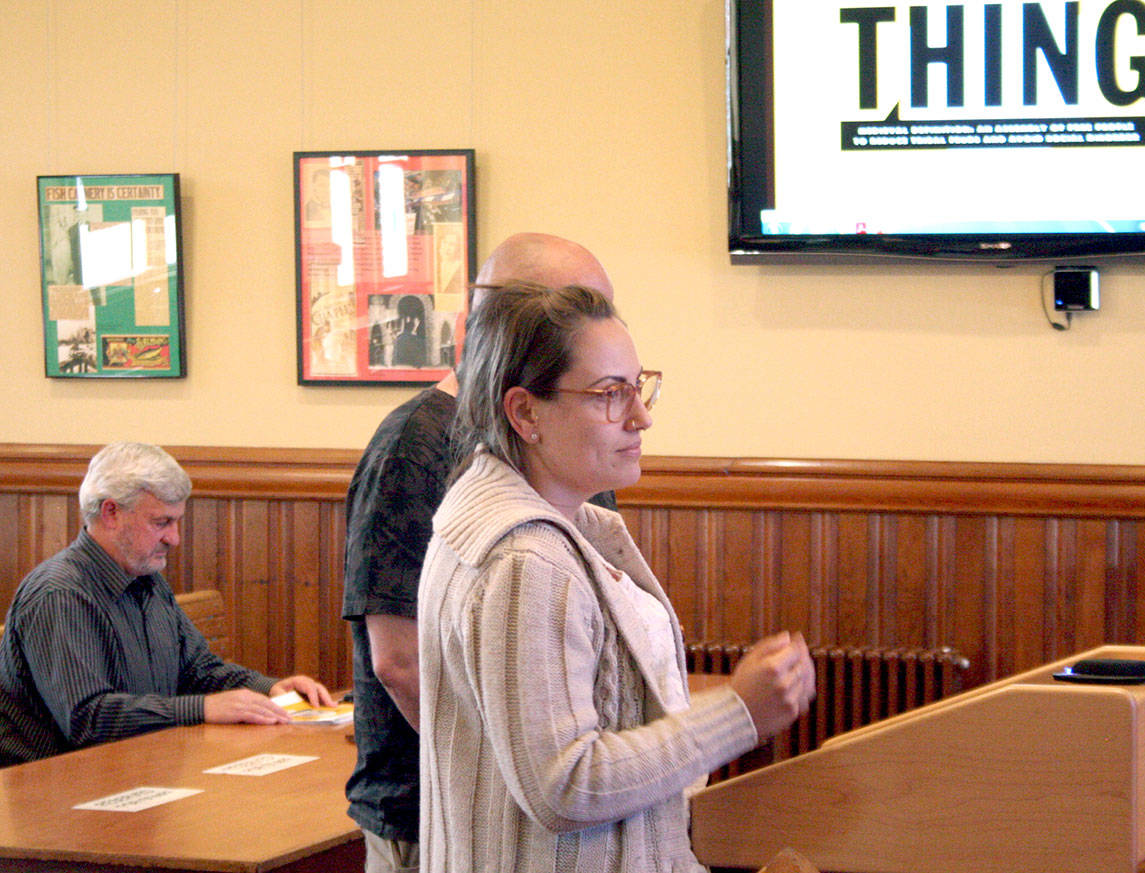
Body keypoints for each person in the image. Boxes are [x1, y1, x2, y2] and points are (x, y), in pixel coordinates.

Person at [417, 282, 815, 873]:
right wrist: (739, 712)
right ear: (525, 412)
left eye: (639, 387)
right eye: (610, 394)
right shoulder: (527, 563)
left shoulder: (537, 527)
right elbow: (565, 783)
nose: (641, 416)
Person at [342, 233, 617, 873]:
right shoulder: (415, 443)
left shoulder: (568, 436)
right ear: (486, 323)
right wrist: (532, 782)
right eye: (564, 313)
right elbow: (403, 663)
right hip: (439, 821)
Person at [0, 442, 334, 767]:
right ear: (111, 512)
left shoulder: (147, 579)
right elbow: (88, 719)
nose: (174, 538)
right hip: (54, 791)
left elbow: (198, 671)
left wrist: (271, 689)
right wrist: (201, 709)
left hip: (137, 772)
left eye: (176, 522)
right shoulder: (59, 594)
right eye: (161, 523)